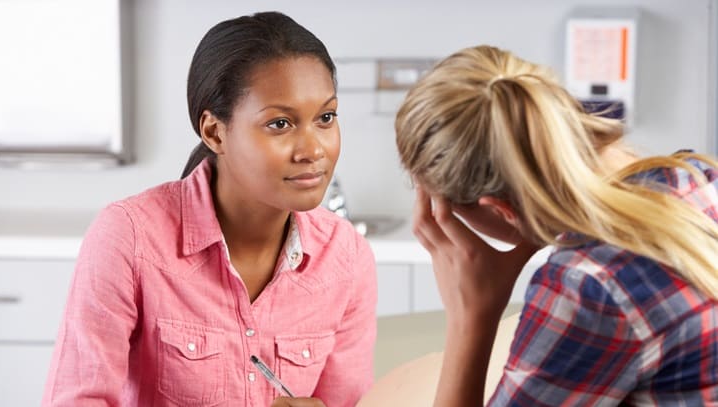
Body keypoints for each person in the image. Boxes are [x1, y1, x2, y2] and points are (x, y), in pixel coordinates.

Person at [42, 11, 377, 407]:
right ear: (215, 132)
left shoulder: (346, 258)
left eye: (326, 117)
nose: (313, 150)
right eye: (280, 124)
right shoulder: (129, 236)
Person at [394, 45, 718, 405]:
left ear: (501, 210)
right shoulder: (698, 177)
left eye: (451, 213)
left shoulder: (589, 286)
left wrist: (470, 319)